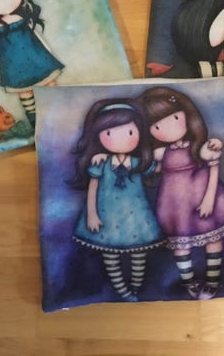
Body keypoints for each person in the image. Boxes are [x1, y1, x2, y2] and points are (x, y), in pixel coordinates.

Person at [137, 87, 224, 300]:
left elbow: (214, 169)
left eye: (175, 118)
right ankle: (188, 281)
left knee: (213, 239)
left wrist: (209, 200)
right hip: (174, 203)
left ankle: (212, 281)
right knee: (181, 244)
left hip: (202, 196)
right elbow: (149, 169)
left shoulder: (200, 148)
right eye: (157, 126)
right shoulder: (161, 152)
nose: (168, 128)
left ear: (186, 114)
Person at [69, 99, 164, 302]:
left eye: (130, 132)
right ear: (98, 136)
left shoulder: (139, 163)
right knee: (109, 255)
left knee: (139, 253)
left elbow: (159, 168)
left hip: (136, 216)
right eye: (110, 133)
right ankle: (123, 292)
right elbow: (93, 187)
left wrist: (165, 154)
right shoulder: (101, 163)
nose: (121, 140)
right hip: (107, 215)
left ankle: (136, 288)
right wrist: (92, 215)